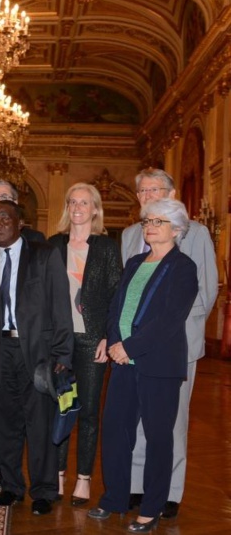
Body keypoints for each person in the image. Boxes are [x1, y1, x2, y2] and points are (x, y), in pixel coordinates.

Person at [88, 198, 198, 532]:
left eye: (158, 221)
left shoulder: (183, 267)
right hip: (123, 362)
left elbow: (168, 320)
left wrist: (130, 347)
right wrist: (110, 338)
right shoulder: (135, 262)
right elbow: (116, 306)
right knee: (116, 433)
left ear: (176, 229)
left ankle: (150, 509)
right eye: (147, 221)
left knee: (158, 438)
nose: (149, 226)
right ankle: (116, 498)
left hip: (158, 365)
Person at [121, 169, 218, 519]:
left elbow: (206, 292)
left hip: (177, 345)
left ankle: (171, 492)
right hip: (135, 345)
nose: (147, 195)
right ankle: (137, 485)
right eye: (142, 190)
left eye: (155, 189)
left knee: (172, 421)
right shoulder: (131, 234)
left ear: (172, 192)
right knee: (138, 418)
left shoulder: (196, 232)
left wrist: (173, 332)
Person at [0, 200, 73, 516]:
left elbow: (60, 307)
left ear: (20, 223)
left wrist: (62, 355)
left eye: (3, 217)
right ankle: (12, 486)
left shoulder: (44, 255)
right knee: (4, 424)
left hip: (38, 354)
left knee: (39, 424)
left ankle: (44, 490)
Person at [48, 183, 122, 505]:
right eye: (72, 202)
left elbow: (116, 295)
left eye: (84, 202)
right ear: (67, 208)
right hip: (58, 342)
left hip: (93, 340)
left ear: (95, 209)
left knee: (89, 411)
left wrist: (109, 336)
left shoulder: (106, 247)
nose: (77, 207)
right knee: (61, 408)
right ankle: (58, 473)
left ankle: (84, 479)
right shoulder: (53, 245)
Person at [0, 178, 45, 485]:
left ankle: (37, 482)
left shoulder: (40, 247)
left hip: (29, 346)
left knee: (32, 416)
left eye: (4, 200)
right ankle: (1, 470)